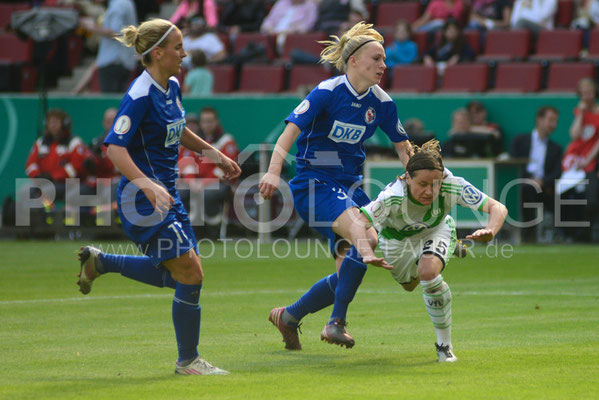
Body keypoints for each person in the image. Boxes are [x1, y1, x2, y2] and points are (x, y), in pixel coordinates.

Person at [75, 18, 241, 375]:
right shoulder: (138, 94)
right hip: (143, 201)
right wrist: (147, 185)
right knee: (191, 274)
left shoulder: (172, 86)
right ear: (158, 52)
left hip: (166, 196)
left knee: (180, 276)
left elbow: (179, 131)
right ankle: (188, 361)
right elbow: (115, 150)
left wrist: (215, 154)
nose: (184, 53)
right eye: (178, 47)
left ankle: (102, 263)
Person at [259, 22, 413, 350]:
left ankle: (289, 316)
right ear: (353, 61)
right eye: (377, 58)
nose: (384, 65)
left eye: (385, 59)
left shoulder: (382, 102)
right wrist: (273, 172)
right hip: (314, 183)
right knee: (367, 236)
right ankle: (335, 324)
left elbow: (403, 145)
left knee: (349, 270)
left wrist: (417, 178)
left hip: (349, 188)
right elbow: (289, 132)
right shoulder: (328, 92)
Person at [324, 140, 508, 359]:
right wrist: (367, 252)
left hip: (436, 229)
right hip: (396, 241)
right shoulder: (392, 196)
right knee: (410, 285)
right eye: (422, 184)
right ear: (408, 177)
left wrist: (490, 230)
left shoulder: (452, 183)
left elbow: (498, 207)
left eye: (435, 184)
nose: (430, 191)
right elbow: (357, 223)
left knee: (428, 272)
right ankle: (450, 248)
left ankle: (444, 346)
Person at [180, 107, 239, 238]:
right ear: (200, 123)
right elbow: (186, 162)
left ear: (217, 122)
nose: (207, 125)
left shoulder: (226, 140)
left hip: (220, 184)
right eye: (204, 121)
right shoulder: (194, 141)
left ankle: (213, 233)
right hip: (195, 184)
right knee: (181, 193)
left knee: (208, 194)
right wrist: (191, 182)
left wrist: (204, 183)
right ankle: (189, 233)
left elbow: (223, 169)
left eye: (210, 121)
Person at [510, 106, 562, 242]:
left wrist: (542, 181)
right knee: (527, 188)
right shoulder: (520, 141)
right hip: (520, 184)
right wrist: (528, 180)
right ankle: (528, 232)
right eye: (550, 120)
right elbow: (512, 164)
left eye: (555, 121)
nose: (553, 124)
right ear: (539, 119)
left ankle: (559, 234)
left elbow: (557, 172)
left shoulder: (556, 148)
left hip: (544, 188)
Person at [560, 78, 599, 241]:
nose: (587, 96)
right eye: (583, 93)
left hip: (591, 162)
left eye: (589, 92)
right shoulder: (579, 112)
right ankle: (570, 233)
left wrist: (589, 159)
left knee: (591, 198)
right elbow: (574, 135)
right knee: (565, 193)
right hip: (575, 161)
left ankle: (586, 233)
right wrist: (581, 113)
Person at [79, 0, 138, 93]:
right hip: (125, 61)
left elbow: (115, 32)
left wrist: (92, 27)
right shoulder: (126, 2)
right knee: (118, 101)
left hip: (113, 61)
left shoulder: (117, 5)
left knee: (109, 102)